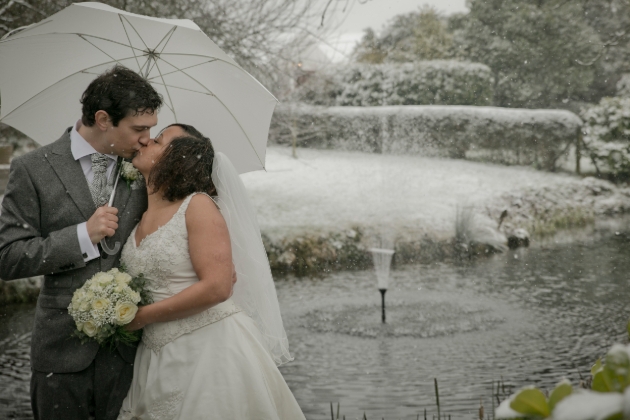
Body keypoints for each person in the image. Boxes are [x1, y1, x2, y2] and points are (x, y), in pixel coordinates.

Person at [0, 65, 162, 420]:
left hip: (131, 354)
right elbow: (8, 257)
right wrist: (81, 237)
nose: (148, 138)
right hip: (61, 353)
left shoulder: (144, 167)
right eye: (139, 128)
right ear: (103, 119)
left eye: (150, 128)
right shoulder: (33, 169)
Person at [117, 124, 305, 420]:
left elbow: (218, 287)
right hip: (155, 356)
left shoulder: (198, 206)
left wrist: (140, 317)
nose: (146, 141)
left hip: (209, 351)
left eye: (159, 140)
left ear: (178, 159)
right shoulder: (139, 214)